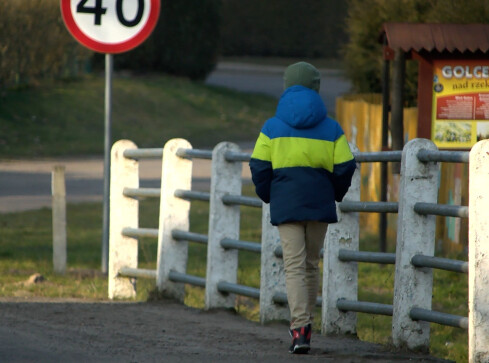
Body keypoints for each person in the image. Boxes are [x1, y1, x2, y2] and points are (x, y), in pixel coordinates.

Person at [249, 61, 356, 354]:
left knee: (294, 266)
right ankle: (307, 325)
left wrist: (269, 194)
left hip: (287, 202)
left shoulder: (272, 127)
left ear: (287, 86)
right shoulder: (332, 127)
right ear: (316, 88)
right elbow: (346, 166)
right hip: (319, 202)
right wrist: (334, 192)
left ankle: (300, 330)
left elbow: (258, 165)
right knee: (310, 264)